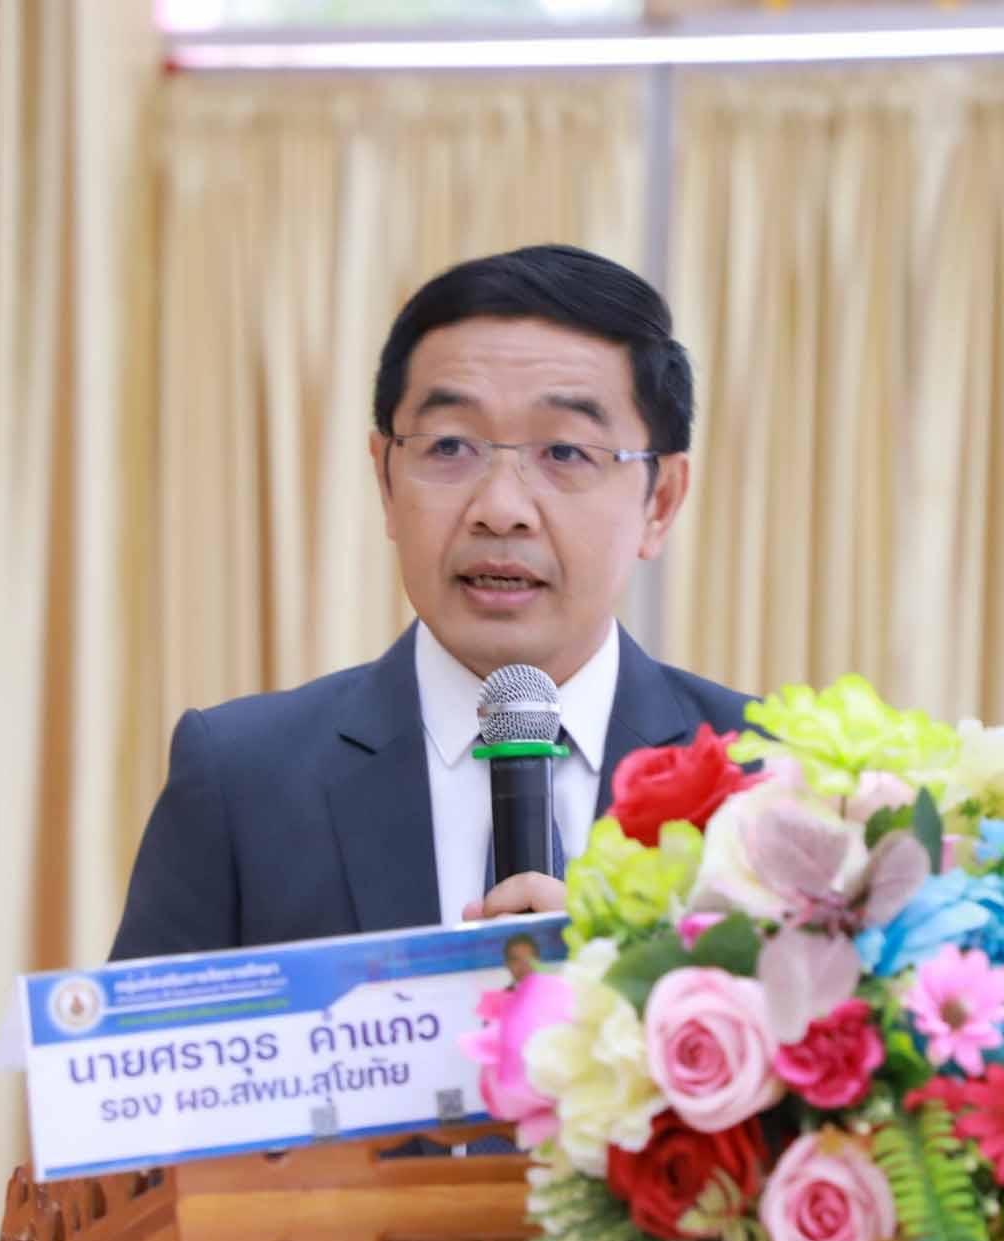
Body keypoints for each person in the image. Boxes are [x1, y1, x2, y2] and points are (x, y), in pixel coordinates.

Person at [110, 244, 750, 962]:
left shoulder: (771, 786)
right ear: (386, 481)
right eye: (449, 446)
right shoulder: (242, 781)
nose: (501, 509)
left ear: (660, 501)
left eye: (565, 452)